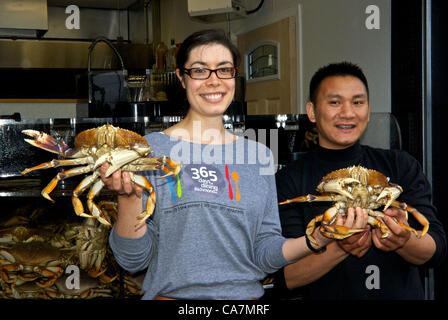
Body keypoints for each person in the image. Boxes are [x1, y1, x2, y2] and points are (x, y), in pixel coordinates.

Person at [100, 29, 330, 300]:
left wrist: (316, 240)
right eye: (199, 71)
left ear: (234, 76)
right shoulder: (148, 151)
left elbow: (264, 253)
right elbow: (133, 260)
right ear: (181, 78)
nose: (213, 81)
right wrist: (128, 200)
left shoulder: (259, 156)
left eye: (224, 70)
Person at [274, 62, 447, 300]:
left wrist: (404, 239)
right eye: (334, 102)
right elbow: (286, 277)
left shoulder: (400, 165)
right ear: (312, 112)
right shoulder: (288, 181)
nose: (348, 113)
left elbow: (436, 250)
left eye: (358, 102)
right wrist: (340, 246)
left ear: (368, 109)